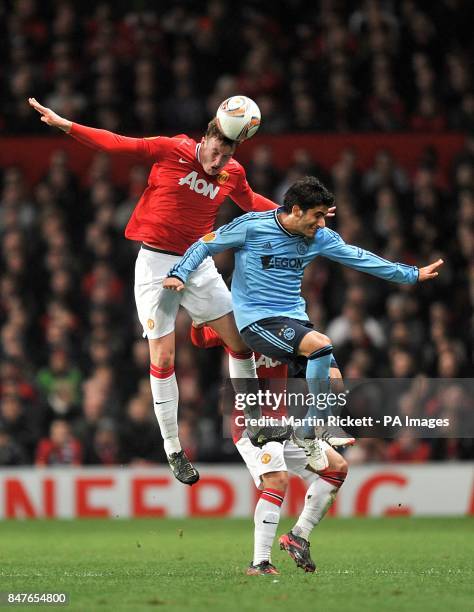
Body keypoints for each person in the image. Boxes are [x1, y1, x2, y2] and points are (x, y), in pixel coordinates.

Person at [28, 96, 320, 485]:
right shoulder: (172, 149)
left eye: (225, 157)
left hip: (197, 262)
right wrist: (67, 125)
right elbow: (116, 143)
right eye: (215, 153)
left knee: (241, 341)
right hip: (154, 264)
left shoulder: (232, 171)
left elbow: (252, 205)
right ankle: (173, 448)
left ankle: (255, 420)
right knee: (163, 358)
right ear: (208, 137)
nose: (217, 164)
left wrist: (298, 216)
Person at [163, 175, 443, 457]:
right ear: (296, 210)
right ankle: (314, 428)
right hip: (258, 321)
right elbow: (205, 244)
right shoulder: (252, 227)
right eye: (317, 215)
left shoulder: (319, 237)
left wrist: (412, 274)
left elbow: (361, 257)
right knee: (321, 345)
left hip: (295, 319)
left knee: (334, 382)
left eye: (324, 216)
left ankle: (317, 426)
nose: (321, 223)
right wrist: (179, 272)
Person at [191, 322, 347, 575]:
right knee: (276, 480)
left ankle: (298, 535)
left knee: (337, 468)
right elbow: (199, 339)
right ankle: (260, 562)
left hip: (282, 423)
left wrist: (331, 366)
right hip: (249, 424)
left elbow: (315, 349)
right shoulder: (236, 324)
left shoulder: (284, 328)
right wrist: (198, 322)